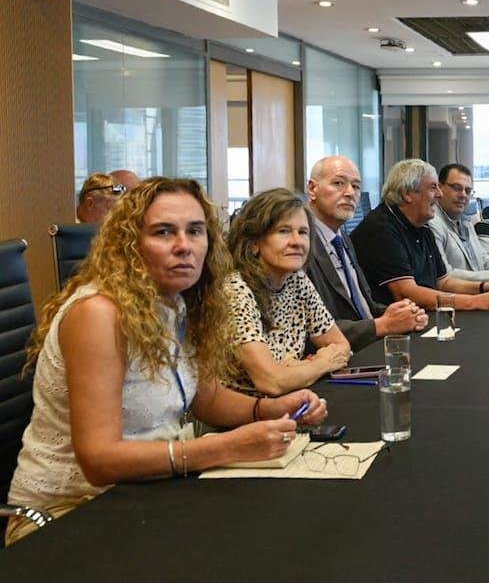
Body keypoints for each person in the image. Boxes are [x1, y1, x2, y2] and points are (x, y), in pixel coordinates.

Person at [5, 178, 327, 545]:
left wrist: (267, 409)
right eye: (163, 232)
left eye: (195, 231)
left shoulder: (176, 301)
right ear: (130, 244)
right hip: (65, 515)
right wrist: (227, 447)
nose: (183, 246)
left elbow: (205, 397)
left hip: (145, 495)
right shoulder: (98, 313)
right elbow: (98, 460)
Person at [225, 189, 354, 396]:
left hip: (287, 403)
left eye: (303, 232)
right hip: (242, 418)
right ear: (254, 243)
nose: (296, 241)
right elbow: (271, 382)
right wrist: (320, 364)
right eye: (283, 231)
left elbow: (340, 344)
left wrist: (297, 370)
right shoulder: (236, 291)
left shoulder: (296, 279)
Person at [351, 159, 489, 311]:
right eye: (433, 187)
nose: (439, 194)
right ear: (407, 193)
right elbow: (406, 293)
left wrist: (485, 287)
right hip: (391, 333)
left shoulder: (422, 225)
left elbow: (444, 282)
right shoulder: (381, 228)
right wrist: (474, 301)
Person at [304, 155, 428, 352]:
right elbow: (309, 329)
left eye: (355, 186)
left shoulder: (343, 238)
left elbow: (362, 305)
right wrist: (383, 324)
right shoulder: (300, 245)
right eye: (338, 183)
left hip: (369, 346)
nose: (349, 193)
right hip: (336, 360)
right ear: (312, 189)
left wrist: (398, 313)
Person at [429, 164, 489, 283]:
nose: (463, 195)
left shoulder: (465, 222)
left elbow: (483, 259)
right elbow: (445, 275)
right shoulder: (432, 223)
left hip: (480, 291)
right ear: (439, 189)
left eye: (468, 190)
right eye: (456, 188)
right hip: (460, 296)